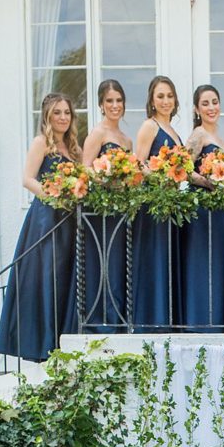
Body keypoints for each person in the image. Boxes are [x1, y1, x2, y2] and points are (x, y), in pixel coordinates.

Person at [0, 93, 80, 362]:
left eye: (67, 112)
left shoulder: (73, 148)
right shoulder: (41, 142)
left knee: (66, 277)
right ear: (47, 116)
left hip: (69, 221)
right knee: (47, 276)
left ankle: (62, 340)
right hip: (46, 219)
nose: (63, 118)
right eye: (57, 113)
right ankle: (42, 345)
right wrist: (55, 195)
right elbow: (28, 179)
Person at [132, 75, 184, 331]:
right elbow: (138, 163)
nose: (165, 101)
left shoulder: (173, 130)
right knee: (154, 259)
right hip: (153, 204)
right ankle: (151, 322)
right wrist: (162, 174)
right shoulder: (149, 126)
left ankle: (169, 318)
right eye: (160, 96)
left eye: (169, 96)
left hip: (170, 203)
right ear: (152, 100)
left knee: (168, 259)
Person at [81, 79, 132, 333]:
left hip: (122, 211)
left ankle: (119, 319)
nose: (115, 105)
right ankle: (101, 323)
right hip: (101, 211)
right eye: (110, 101)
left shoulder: (126, 139)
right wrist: (108, 180)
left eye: (119, 100)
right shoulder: (98, 133)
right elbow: (85, 169)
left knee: (120, 264)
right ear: (101, 104)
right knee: (104, 263)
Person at [181, 84, 224, 331]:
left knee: (219, 262)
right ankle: (200, 322)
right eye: (205, 103)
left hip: (221, 210)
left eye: (215, 102)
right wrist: (207, 182)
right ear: (196, 109)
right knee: (203, 262)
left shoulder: (223, 140)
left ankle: (218, 320)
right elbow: (184, 169)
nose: (211, 108)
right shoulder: (198, 135)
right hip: (202, 207)